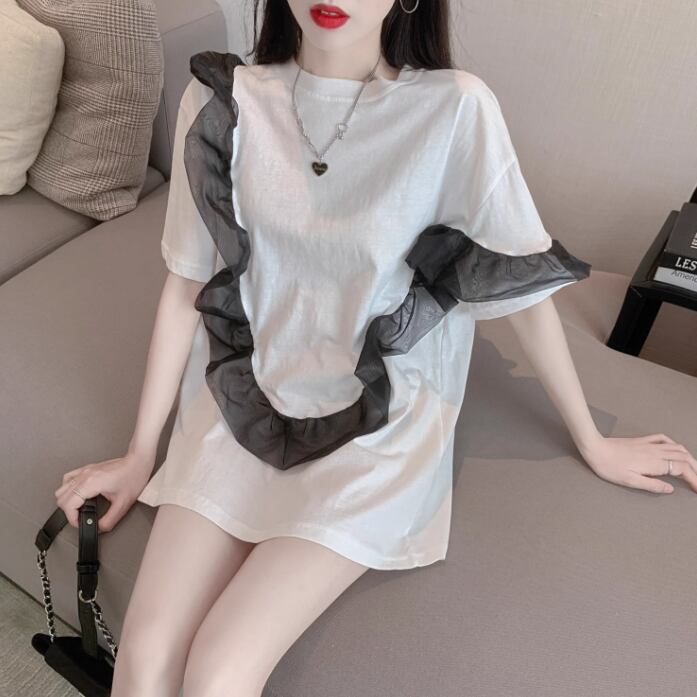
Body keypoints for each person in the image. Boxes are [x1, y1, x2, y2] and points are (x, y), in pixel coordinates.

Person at [53, 1, 697, 695]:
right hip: (243, 394)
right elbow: (187, 280)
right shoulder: (222, 100)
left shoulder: (454, 109)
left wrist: (593, 441)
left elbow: (517, 283)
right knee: (145, 659)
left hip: (377, 423)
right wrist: (140, 452)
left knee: (218, 670)